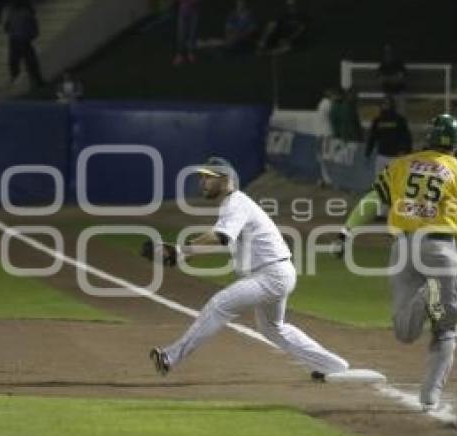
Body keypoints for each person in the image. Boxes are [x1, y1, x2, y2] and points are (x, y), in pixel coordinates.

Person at [149, 157, 350, 380]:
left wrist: (181, 251)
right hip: (275, 274)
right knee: (273, 329)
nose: (202, 182)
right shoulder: (233, 205)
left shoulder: (236, 203)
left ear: (225, 180)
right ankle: (334, 365)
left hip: (270, 275)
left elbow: (221, 237)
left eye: (208, 177)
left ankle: (170, 357)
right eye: (201, 177)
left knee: (218, 305)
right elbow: (220, 241)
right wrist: (182, 254)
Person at [337, 115, 457, 411]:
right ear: (456, 143)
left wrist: (346, 231)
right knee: (446, 330)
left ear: (428, 137)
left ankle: (427, 294)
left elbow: (372, 200)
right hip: (440, 249)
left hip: (402, 248)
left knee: (405, 333)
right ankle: (430, 396)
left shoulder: (402, 165)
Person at [365, 96, 411, 176]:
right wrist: (368, 152)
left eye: (388, 104)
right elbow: (372, 137)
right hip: (382, 155)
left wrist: (406, 151)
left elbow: (406, 137)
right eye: (385, 104)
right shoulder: (378, 120)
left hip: (394, 156)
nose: (386, 106)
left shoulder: (399, 120)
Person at [4, 2, 44, 88]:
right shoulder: (28, 14)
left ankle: (15, 77)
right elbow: (35, 31)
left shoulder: (12, 13)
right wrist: (31, 35)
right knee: (30, 61)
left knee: (14, 60)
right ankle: (36, 80)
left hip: (14, 39)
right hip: (24, 39)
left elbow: (6, 27)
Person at [173, 0, 202, 65]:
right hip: (182, 13)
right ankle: (179, 55)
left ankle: (190, 54)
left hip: (194, 13)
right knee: (180, 34)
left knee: (192, 34)